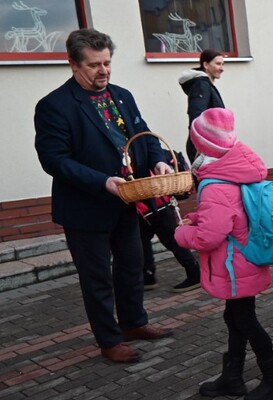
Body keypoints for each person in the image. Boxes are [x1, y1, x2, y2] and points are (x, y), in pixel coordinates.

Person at [34, 28, 173, 363]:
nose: (104, 71)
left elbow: (143, 133)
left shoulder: (121, 95)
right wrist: (102, 182)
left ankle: (133, 324)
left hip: (127, 201)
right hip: (86, 208)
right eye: (94, 65)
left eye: (107, 63)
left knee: (132, 266)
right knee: (97, 278)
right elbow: (54, 160)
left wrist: (157, 158)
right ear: (73, 64)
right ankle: (109, 340)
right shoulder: (55, 105)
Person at [174, 108, 273, 400]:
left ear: (201, 144)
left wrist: (180, 233)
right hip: (245, 259)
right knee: (235, 317)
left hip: (233, 265)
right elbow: (231, 213)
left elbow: (209, 237)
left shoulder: (215, 183)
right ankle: (233, 377)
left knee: (245, 320)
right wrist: (200, 216)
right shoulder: (236, 168)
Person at [138, 194, 201, 292]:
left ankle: (194, 273)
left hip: (156, 205)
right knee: (142, 242)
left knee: (172, 241)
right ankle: (148, 276)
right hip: (144, 208)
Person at [180, 49, 225, 162]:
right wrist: (199, 145)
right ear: (205, 65)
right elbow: (196, 114)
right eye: (218, 64)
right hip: (203, 147)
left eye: (223, 64)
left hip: (208, 145)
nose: (222, 68)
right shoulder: (201, 84)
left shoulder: (205, 84)